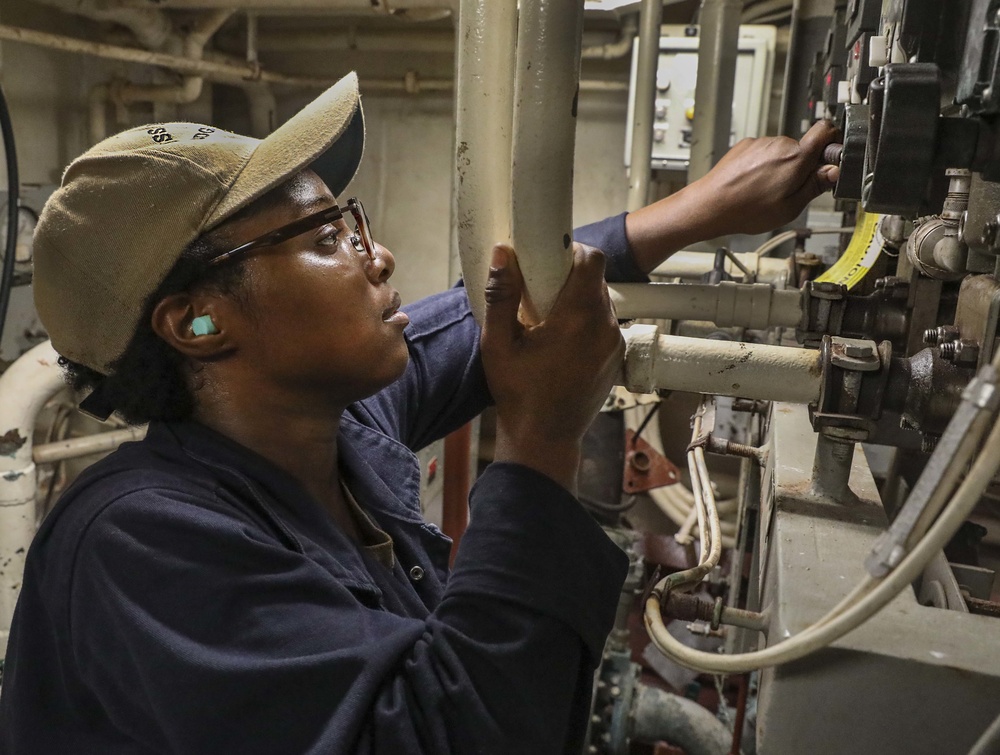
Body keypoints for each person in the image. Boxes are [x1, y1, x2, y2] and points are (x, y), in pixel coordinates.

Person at [0, 72, 839, 754]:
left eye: (350, 222)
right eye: (328, 238)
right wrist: (541, 436)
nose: (379, 254)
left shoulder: (326, 432)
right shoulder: (138, 543)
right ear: (199, 322)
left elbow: (474, 325)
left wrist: (697, 211)